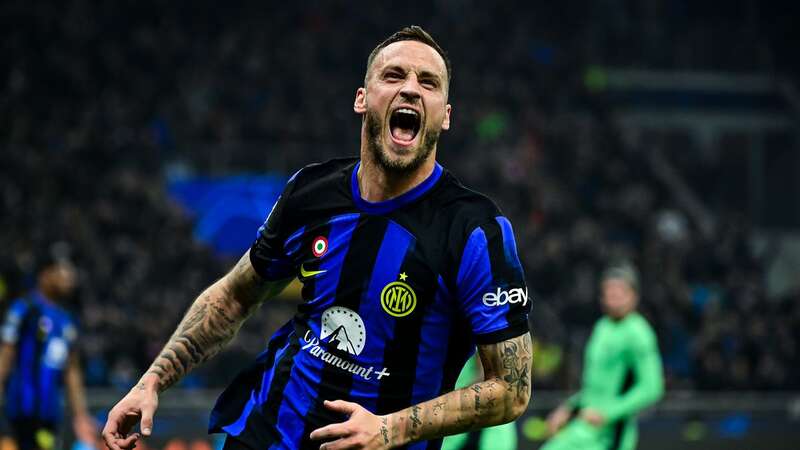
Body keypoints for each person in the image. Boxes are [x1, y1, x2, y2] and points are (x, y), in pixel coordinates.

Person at [103, 25, 533, 450]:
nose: (410, 89)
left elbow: (511, 388)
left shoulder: (476, 230)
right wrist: (152, 382)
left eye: (428, 82)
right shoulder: (312, 191)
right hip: (267, 435)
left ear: (445, 114)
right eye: (394, 75)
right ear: (362, 100)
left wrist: (390, 429)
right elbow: (235, 297)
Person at [542, 264, 664, 450]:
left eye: (620, 291)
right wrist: (569, 408)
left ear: (634, 296)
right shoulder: (602, 327)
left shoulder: (639, 332)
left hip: (610, 434)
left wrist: (608, 413)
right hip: (583, 428)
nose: (614, 296)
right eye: (609, 290)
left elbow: (651, 387)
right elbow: (596, 387)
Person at [0, 256, 97, 450]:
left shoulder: (66, 319)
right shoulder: (24, 310)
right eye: (62, 271)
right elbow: (6, 353)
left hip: (49, 413)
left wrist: (80, 415)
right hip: (19, 411)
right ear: (45, 275)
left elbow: (72, 370)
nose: (69, 277)